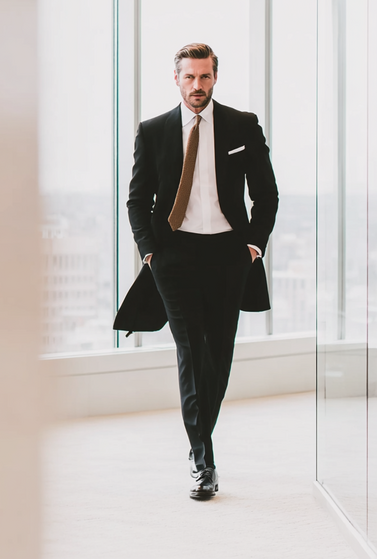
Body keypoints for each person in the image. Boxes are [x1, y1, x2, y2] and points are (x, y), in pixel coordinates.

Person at [122, 43, 278, 500]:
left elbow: (266, 194)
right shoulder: (153, 132)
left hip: (229, 254)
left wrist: (253, 245)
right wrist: (150, 252)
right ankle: (203, 460)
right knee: (191, 350)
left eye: (205, 77)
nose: (197, 86)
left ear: (215, 77)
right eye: (189, 77)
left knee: (219, 354)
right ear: (176, 79)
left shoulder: (241, 125)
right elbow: (137, 199)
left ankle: (198, 441)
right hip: (174, 256)